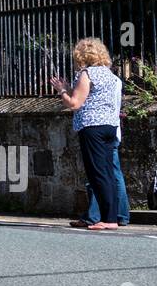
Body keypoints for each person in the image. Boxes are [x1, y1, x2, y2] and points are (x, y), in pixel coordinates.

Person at [50, 37, 124, 231]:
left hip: (93, 127)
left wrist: (61, 91)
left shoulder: (87, 73)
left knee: (97, 173)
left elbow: (75, 103)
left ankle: (107, 219)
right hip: (110, 126)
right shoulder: (110, 75)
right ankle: (111, 217)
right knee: (107, 173)